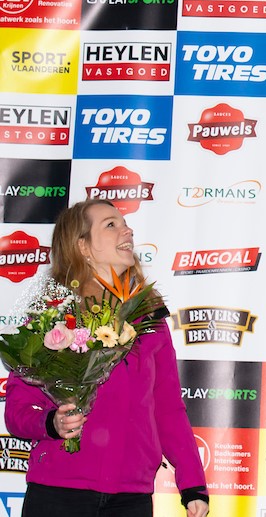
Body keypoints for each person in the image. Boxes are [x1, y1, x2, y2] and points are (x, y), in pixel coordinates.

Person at [4, 199, 209, 517]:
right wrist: (52, 422)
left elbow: (167, 406)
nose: (127, 229)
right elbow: (17, 411)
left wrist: (192, 483)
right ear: (82, 246)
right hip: (59, 494)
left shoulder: (149, 318)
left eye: (125, 223)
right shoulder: (50, 318)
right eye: (111, 224)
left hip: (131, 498)